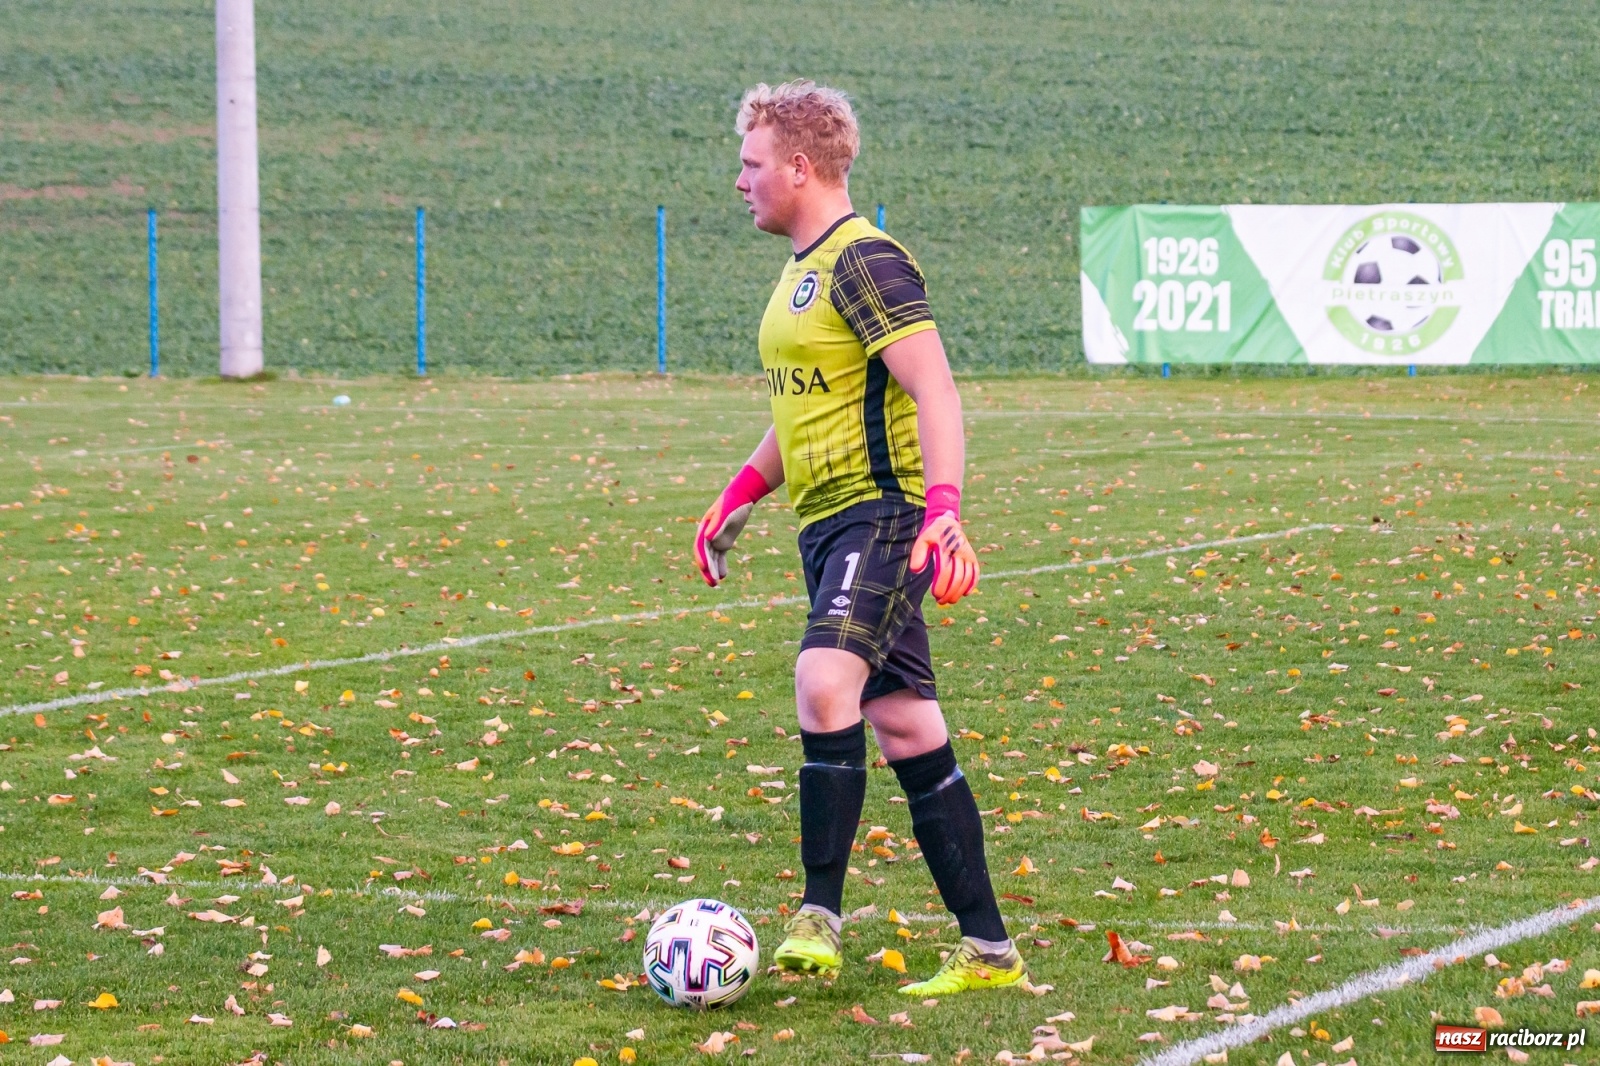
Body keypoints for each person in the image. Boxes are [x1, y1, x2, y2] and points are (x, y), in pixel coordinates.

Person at [691, 79, 1024, 996]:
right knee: (906, 725)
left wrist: (945, 506)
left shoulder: (864, 261)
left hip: (885, 514)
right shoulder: (802, 271)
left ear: (800, 167)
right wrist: (740, 494)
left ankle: (818, 915)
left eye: (751, 164)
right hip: (826, 524)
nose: (740, 181)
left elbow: (936, 389)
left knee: (822, 677)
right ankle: (991, 952)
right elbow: (802, 412)